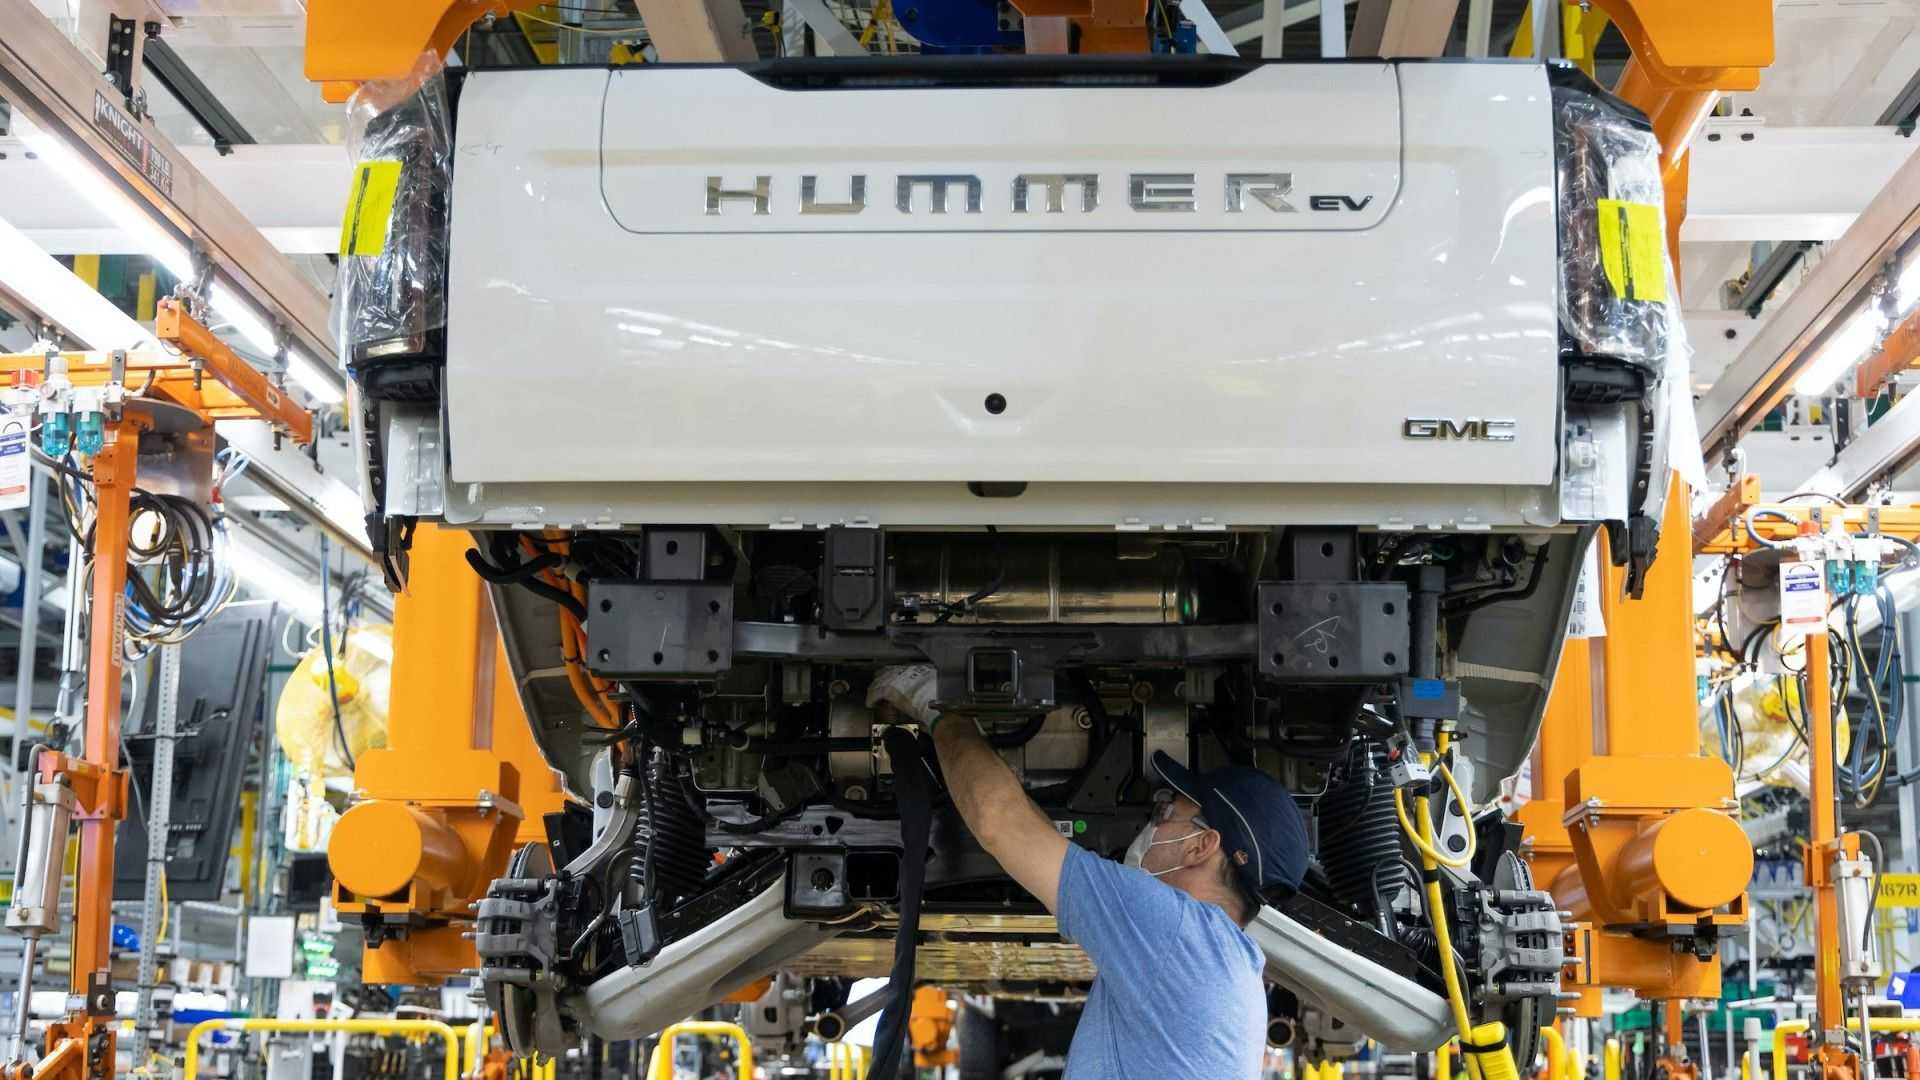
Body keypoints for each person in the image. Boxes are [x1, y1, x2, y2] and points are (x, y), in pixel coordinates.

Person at [869, 666, 1311, 1080]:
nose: (1151, 825)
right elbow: (1024, 831)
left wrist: (937, 707)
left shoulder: (1176, 932)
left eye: (1165, 813)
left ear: (1201, 845)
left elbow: (999, 821)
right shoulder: (1225, 962)